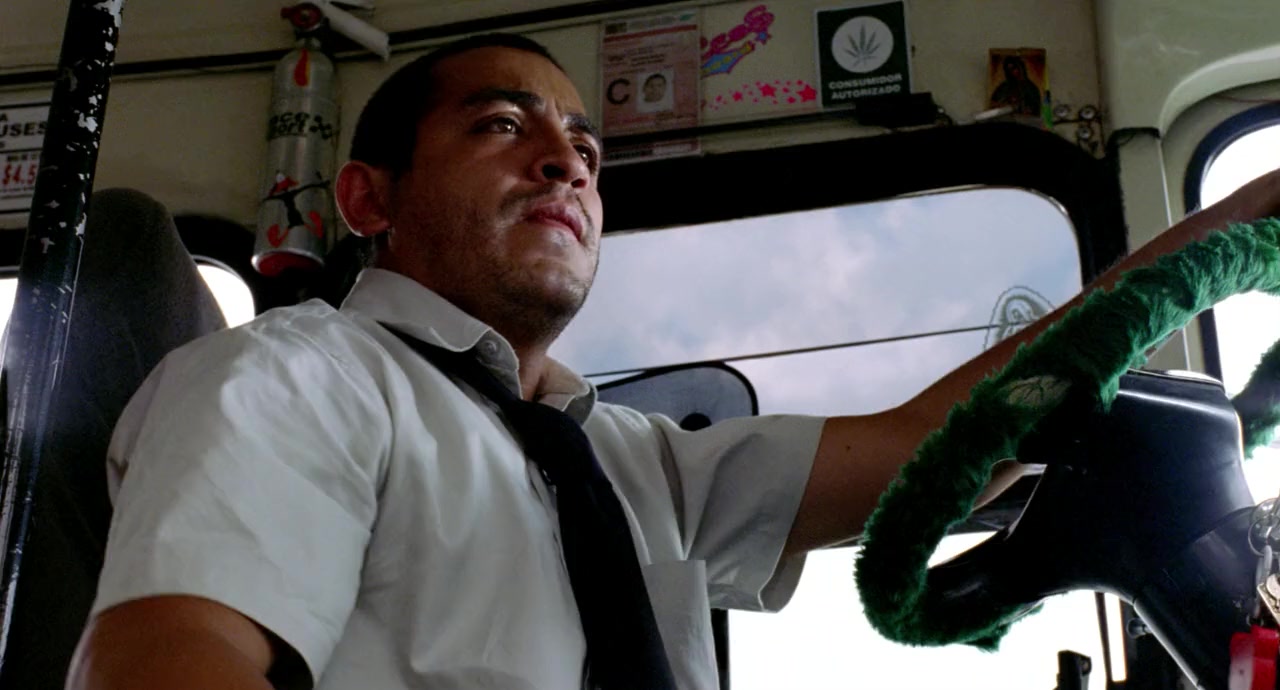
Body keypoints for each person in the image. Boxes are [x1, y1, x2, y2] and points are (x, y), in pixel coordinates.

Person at [66, 32, 1280, 690]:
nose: (564, 161)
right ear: (366, 199)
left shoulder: (631, 460)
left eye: (583, 149)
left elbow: (927, 448)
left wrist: (1226, 228)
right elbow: (170, 664)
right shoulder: (290, 384)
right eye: (501, 126)